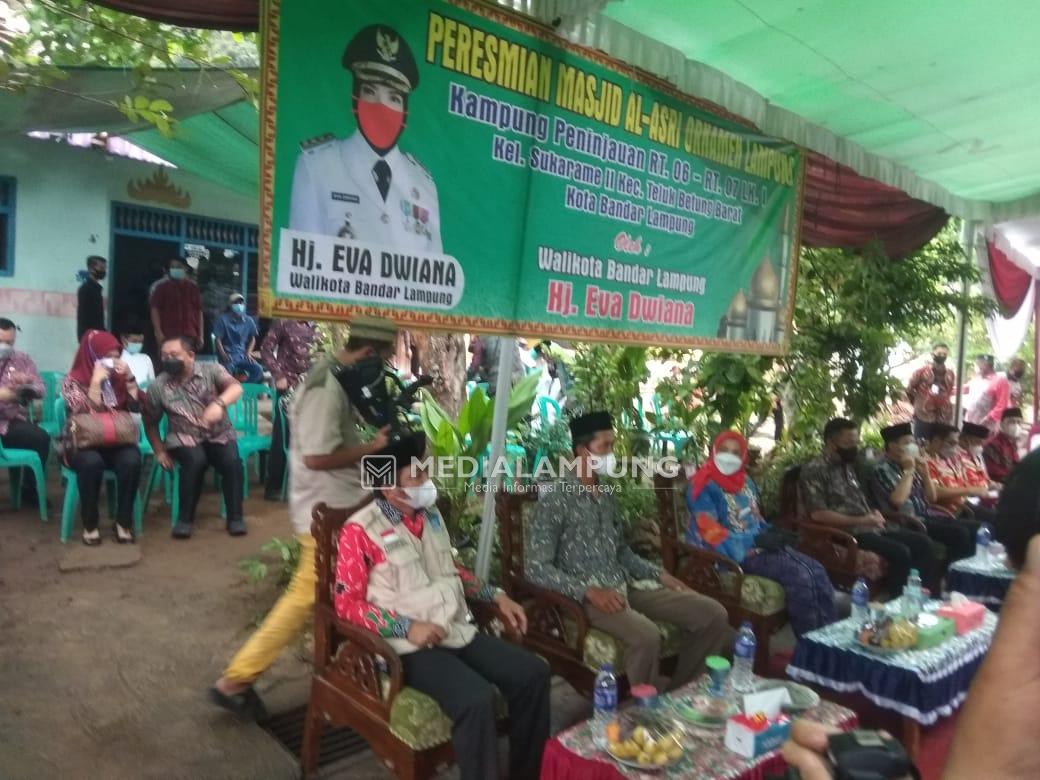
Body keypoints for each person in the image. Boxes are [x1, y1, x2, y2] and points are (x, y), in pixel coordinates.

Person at [785, 453, 1040, 780]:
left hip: (889, 521)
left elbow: (922, 500)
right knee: (911, 548)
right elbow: (889, 502)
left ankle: (911, 600)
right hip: (854, 529)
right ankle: (898, 602)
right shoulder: (845, 470)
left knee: (921, 544)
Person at [211, 320, 399, 719]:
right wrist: (374, 447)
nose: (383, 369)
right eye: (383, 361)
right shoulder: (326, 389)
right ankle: (236, 679)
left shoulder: (334, 374)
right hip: (327, 510)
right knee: (305, 596)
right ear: (368, 354)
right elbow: (317, 457)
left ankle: (352, 665)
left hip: (340, 502)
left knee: (351, 587)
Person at [335, 433, 550, 780]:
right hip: (406, 647)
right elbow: (347, 605)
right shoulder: (360, 531)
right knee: (475, 699)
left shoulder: (430, 516)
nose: (426, 480)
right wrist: (407, 627)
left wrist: (497, 595)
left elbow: (453, 571)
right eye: (416, 475)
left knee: (532, 674)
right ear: (391, 489)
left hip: (454, 628)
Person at [525, 411, 734, 689]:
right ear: (581, 451)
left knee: (712, 613)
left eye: (612, 445)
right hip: (585, 597)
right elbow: (536, 567)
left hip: (626, 585)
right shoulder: (555, 500)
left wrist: (661, 575)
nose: (611, 454)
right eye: (605, 447)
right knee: (646, 636)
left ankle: (682, 691)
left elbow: (621, 551)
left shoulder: (607, 495)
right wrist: (588, 591)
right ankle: (646, 709)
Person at [289, 25, 441, 253]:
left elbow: (433, 279)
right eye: (370, 91)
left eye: (394, 98)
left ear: (405, 112)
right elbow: (301, 271)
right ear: (354, 99)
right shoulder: (316, 167)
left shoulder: (423, 185)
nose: (382, 107)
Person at [686, 431, 835, 636]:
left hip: (759, 549)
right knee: (801, 575)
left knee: (816, 569)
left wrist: (772, 532)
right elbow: (709, 533)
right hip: (726, 557)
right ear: (713, 451)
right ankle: (810, 651)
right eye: (723, 450)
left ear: (743, 457)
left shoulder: (745, 482)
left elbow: (754, 520)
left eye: (736, 453)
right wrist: (753, 540)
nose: (729, 457)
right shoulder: (701, 486)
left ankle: (827, 645)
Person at [799, 418, 935, 593]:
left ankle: (923, 601)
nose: (855, 448)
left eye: (856, 442)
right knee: (901, 552)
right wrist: (862, 520)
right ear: (831, 443)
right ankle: (895, 607)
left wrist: (873, 514)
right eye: (849, 443)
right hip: (845, 533)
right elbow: (819, 514)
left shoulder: (847, 465)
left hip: (869, 527)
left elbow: (857, 500)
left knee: (923, 543)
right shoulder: (815, 469)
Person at [143, 337, 247, 539]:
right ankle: (184, 519)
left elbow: (236, 388)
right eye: (164, 356)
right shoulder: (158, 386)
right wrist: (159, 450)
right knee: (195, 461)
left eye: (174, 355)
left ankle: (235, 518)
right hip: (183, 437)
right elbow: (150, 422)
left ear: (191, 356)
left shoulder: (211, 370)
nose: (167, 360)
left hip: (218, 433)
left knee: (232, 461)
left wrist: (219, 404)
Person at [60, 330, 142, 545]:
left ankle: (123, 522)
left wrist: (131, 379)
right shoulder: (72, 382)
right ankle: (90, 524)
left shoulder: (119, 378)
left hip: (116, 439)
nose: (113, 362)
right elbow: (81, 413)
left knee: (132, 460)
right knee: (91, 463)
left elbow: (136, 407)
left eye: (117, 356)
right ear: (92, 356)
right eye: (108, 356)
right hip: (84, 442)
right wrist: (95, 384)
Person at [869, 422, 975, 565]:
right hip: (907, 522)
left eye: (914, 442)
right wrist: (909, 471)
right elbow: (898, 500)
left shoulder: (910, 465)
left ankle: (958, 577)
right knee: (960, 534)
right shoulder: (882, 469)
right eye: (908, 443)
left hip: (927, 516)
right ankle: (948, 579)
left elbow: (931, 497)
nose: (914, 447)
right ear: (893, 446)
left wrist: (925, 474)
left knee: (974, 528)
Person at [258, 318, 317, 500]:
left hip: (312, 389)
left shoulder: (318, 326)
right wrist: (278, 374)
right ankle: (274, 486)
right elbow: (265, 350)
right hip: (288, 386)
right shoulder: (283, 322)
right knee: (283, 435)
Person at [0, 318, 49, 505]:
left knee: (41, 438)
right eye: (0, 341)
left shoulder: (22, 359)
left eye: (9, 342)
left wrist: (27, 383)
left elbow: (41, 389)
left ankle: (30, 489)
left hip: (10, 423)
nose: (4, 346)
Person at [922, 422, 996, 525]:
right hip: (944, 511)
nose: (956, 448)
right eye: (951, 443)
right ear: (936, 441)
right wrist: (968, 490)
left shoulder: (950, 459)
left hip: (963, 506)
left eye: (956, 443)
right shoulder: (926, 461)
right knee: (985, 524)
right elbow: (936, 492)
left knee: (997, 517)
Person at [905, 342, 955, 440]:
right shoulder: (921, 372)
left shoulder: (950, 374)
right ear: (932, 354)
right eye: (939, 353)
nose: (942, 356)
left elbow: (949, 392)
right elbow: (909, 389)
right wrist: (918, 403)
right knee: (921, 444)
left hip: (943, 416)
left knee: (938, 445)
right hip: (923, 415)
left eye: (944, 354)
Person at [149, 257, 203, 348]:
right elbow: (155, 310)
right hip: (168, 334)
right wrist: (158, 332)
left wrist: (201, 335)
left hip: (189, 335)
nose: (175, 269)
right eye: (172, 267)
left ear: (185, 268)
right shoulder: (162, 287)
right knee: (169, 359)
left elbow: (199, 312)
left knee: (187, 360)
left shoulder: (193, 288)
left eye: (178, 266)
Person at [214, 293, 263, 383]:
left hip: (242, 355)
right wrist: (223, 354)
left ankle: (244, 391)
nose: (239, 305)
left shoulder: (248, 320)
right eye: (236, 303)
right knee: (226, 373)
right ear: (231, 305)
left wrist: (248, 352)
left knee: (258, 370)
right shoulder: (222, 320)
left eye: (241, 303)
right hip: (228, 355)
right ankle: (230, 391)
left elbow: (253, 338)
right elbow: (218, 339)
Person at [964, 353, 1008, 434]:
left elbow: (1002, 405)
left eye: (977, 364)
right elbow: (965, 389)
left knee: (981, 445)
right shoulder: (977, 379)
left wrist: (988, 418)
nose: (975, 367)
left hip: (986, 425)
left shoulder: (1000, 380)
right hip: (970, 421)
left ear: (985, 364)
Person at [984, 407, 1023, 483]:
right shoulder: (992, 444)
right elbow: (995, 473)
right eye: (1011, 422)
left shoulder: (1013, 444)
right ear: (1001, 424)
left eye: (1019, 422)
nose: (1016, 425)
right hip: (999, 486)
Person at [118, 318, 155, 388]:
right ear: (123, 339)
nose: (138, 344)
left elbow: (152, 383)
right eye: (134, 341)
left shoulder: (146, 358)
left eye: (140, 341)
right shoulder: (117, 357)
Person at [76, 255, 107, 341]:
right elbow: (83, 316)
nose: (104, 271)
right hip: (90, 336)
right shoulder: (85, 289)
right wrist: (85, 338)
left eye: (105, 268)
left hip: (97, 334)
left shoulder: (97, 289)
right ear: (90, 269)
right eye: (101, 267)